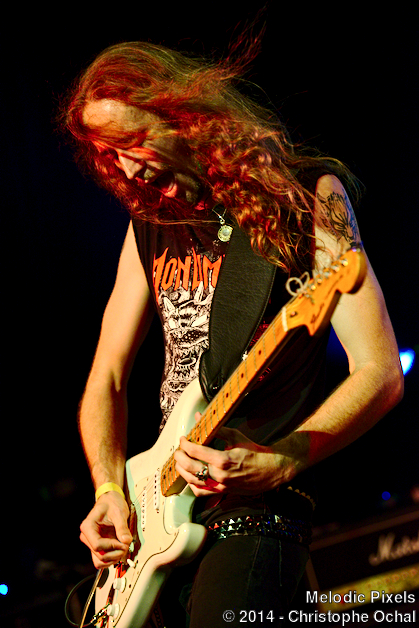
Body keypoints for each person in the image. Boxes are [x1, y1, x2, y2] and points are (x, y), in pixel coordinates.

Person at [62, 41, 403, 627]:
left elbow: (381, 370)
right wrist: (109, 490)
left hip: (255, 508)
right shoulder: (150, 223)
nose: (127, 169)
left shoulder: (306, 196)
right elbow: (107, 379)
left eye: (131, 142)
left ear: (180, 112)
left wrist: (285, 459)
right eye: (109, 154)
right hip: (155, 519)